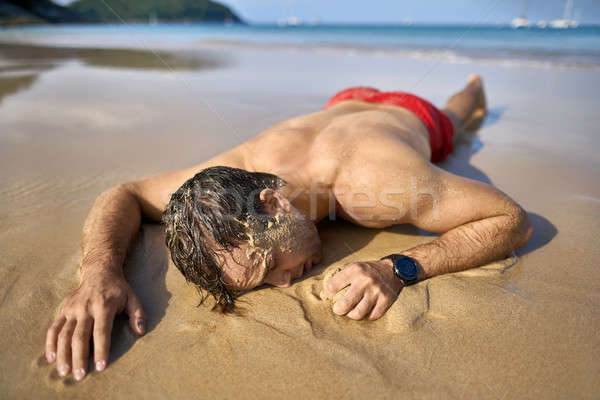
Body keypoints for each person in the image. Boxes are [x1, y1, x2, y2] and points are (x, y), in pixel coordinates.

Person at [44, 75, 533, 381]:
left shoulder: (377, 184)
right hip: (341, 102)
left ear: (273, 201)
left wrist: (398, 267)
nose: (284, 282)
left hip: (405, 113)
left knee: (458, 113)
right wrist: (98, 273)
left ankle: (475, 84)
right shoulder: (230, 174)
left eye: (269, 264)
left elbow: (511, 219)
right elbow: (123, 193)